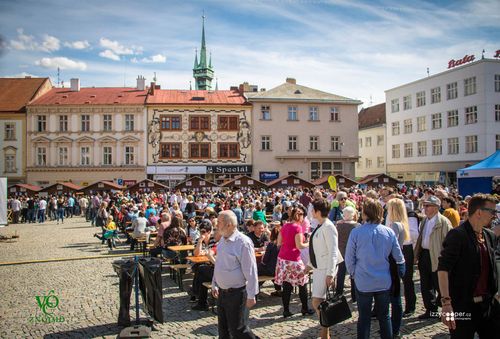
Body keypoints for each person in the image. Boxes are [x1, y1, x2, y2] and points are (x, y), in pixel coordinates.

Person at [438, 194, 499, 338]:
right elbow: (443, 269)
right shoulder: (457, 235)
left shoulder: (489, 236)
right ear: (479, 212)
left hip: (488, 306)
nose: (495, 216)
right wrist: (446, 304)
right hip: (463, 306)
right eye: (493, 212)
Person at [345, 198, 405, 339]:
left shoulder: (356, 232)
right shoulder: (388, 232)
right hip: (383, 280)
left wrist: (354, 273)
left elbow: (349, 258)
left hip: (363, 280)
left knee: (364, 318)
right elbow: (399, 257)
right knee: (384, 316)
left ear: (365, 214)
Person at [211, 210, 259, 339]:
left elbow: (251, 270)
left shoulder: (243, 242)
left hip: (236, 293)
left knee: (239, 330)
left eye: (219, 222)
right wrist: (214, 283)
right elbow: (219, 265)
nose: (216, 225)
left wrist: (251, 294)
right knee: (223, 330)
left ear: (229, 224)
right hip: (222, 293)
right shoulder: (222, 240)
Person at [414, 196, 452, 319]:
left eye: (427, 206)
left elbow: (449, 241)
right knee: (426, 284)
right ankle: (430, 310)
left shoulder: (443, 222)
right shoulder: (425, 220)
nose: (425, 208)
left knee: (439, 284)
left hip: (437, 256)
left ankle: (444, 307)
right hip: (425, 254)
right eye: (424, 205)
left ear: (436, 207)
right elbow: (421, 238)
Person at [309, 198, 342, 339]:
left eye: (312, 209)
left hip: (325, 270)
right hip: (318, 269)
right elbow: (317, 249)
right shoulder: (320, 225)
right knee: (319, 302)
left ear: (317, 211)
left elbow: (333, 251)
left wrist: (330, 274)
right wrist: (309, 265)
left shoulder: (328, 227)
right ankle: (325, 332)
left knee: (317, 302)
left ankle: (325, 331)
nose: (310, 211)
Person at [275, 205, 313, 318]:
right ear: (300, 217)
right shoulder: (297, 228)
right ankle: (305, 308)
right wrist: (309, 242)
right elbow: (300, 245)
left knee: (287, 285)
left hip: (283, 258)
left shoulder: (285, 226)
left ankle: (286, 310)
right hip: (293, 259)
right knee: (303, 283)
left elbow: (278, 243)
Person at [386, 198, 411, 337]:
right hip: (396, 261)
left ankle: (394, 328)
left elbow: (390, 246)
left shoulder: (395, 225)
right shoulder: (400, 223)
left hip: (393, 263)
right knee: (395, 296)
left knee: (395, 298)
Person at [335, 205, 360, 300]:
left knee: (341, 273)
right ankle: (354, 295)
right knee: (353, 274)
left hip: (341, 251)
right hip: (353, 252)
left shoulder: (339, 225)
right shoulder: (357, 226)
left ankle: (339, 293)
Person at [257, 227, 281, 297]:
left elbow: (265, 261)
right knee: (271, 271)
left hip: (271, 271)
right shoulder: (283, 245)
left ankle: (256, 289)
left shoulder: (271, 245)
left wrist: (263, 258)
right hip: (279, 270)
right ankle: (278, 290)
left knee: (257, 270)